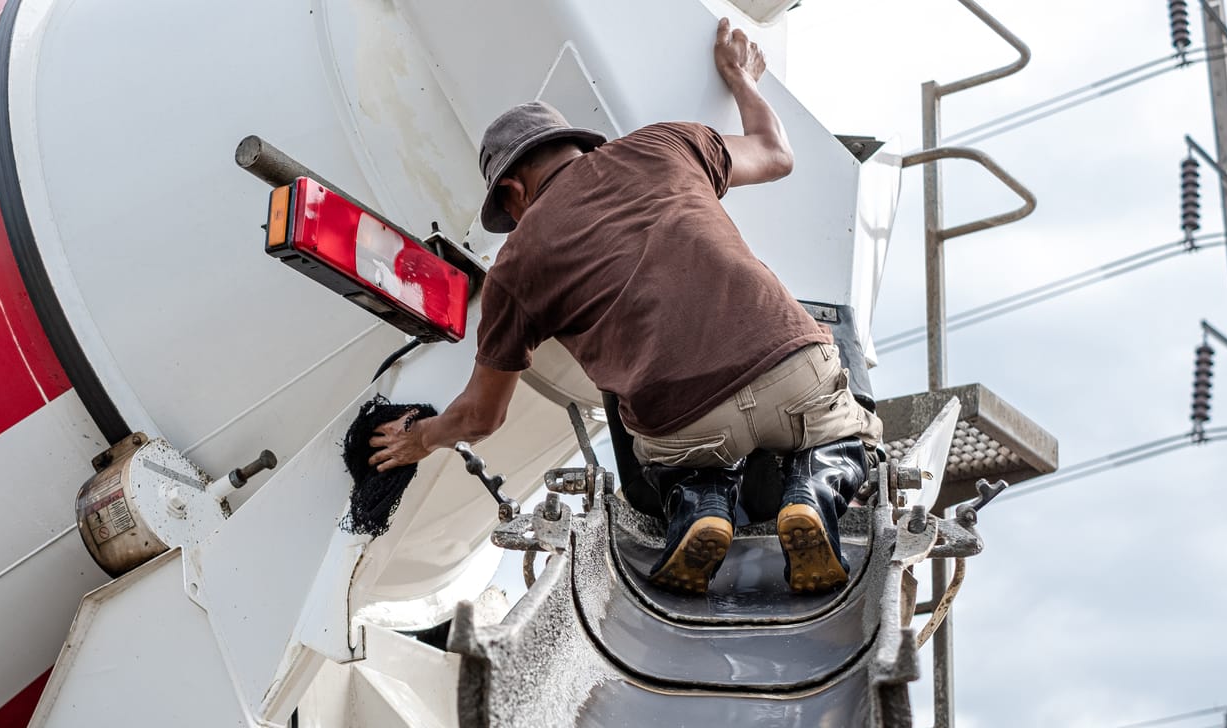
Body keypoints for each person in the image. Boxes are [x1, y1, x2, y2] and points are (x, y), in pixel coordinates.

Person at [368, 19, 882, 596]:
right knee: (855, 437)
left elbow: (481, 418)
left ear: (512, 191)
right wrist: (741, 79)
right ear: (578, 145)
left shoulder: (516, 263)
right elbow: (776, 153)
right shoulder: (666, 144)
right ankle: (815, 488)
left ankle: (697, 502)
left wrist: (421, 439)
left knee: (644, 420)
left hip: (686, 425)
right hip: (792, 374)